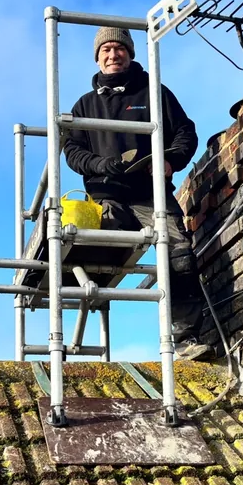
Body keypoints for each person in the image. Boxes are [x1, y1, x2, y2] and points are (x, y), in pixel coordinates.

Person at [63, 27, 213, 361]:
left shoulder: (154, 92)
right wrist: (101, 165)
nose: (112, 55)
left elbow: (185, 132)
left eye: (119, 48)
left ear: (130, 53)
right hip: (106, 198)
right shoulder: (84, 105)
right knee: (95, 264)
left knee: (179, 254)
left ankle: (185, 339)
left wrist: (170, 161)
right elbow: (72, 151)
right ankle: (77, 343)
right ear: (97, 57)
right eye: (105, 50)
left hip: (150, 195)